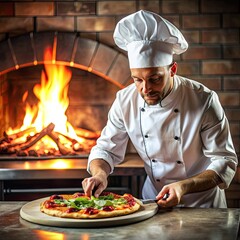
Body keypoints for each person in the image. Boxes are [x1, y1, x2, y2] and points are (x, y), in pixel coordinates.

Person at [82, 10, 238, 208]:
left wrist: (183, 187)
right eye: (137, 79)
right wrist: (100, 174)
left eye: (154, 79)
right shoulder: (124, 100)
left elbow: (225, 161)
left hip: (203, 204)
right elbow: (105, 149)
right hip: (153, 201)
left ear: (172, 70)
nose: (145, 89)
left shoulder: (203, 100)